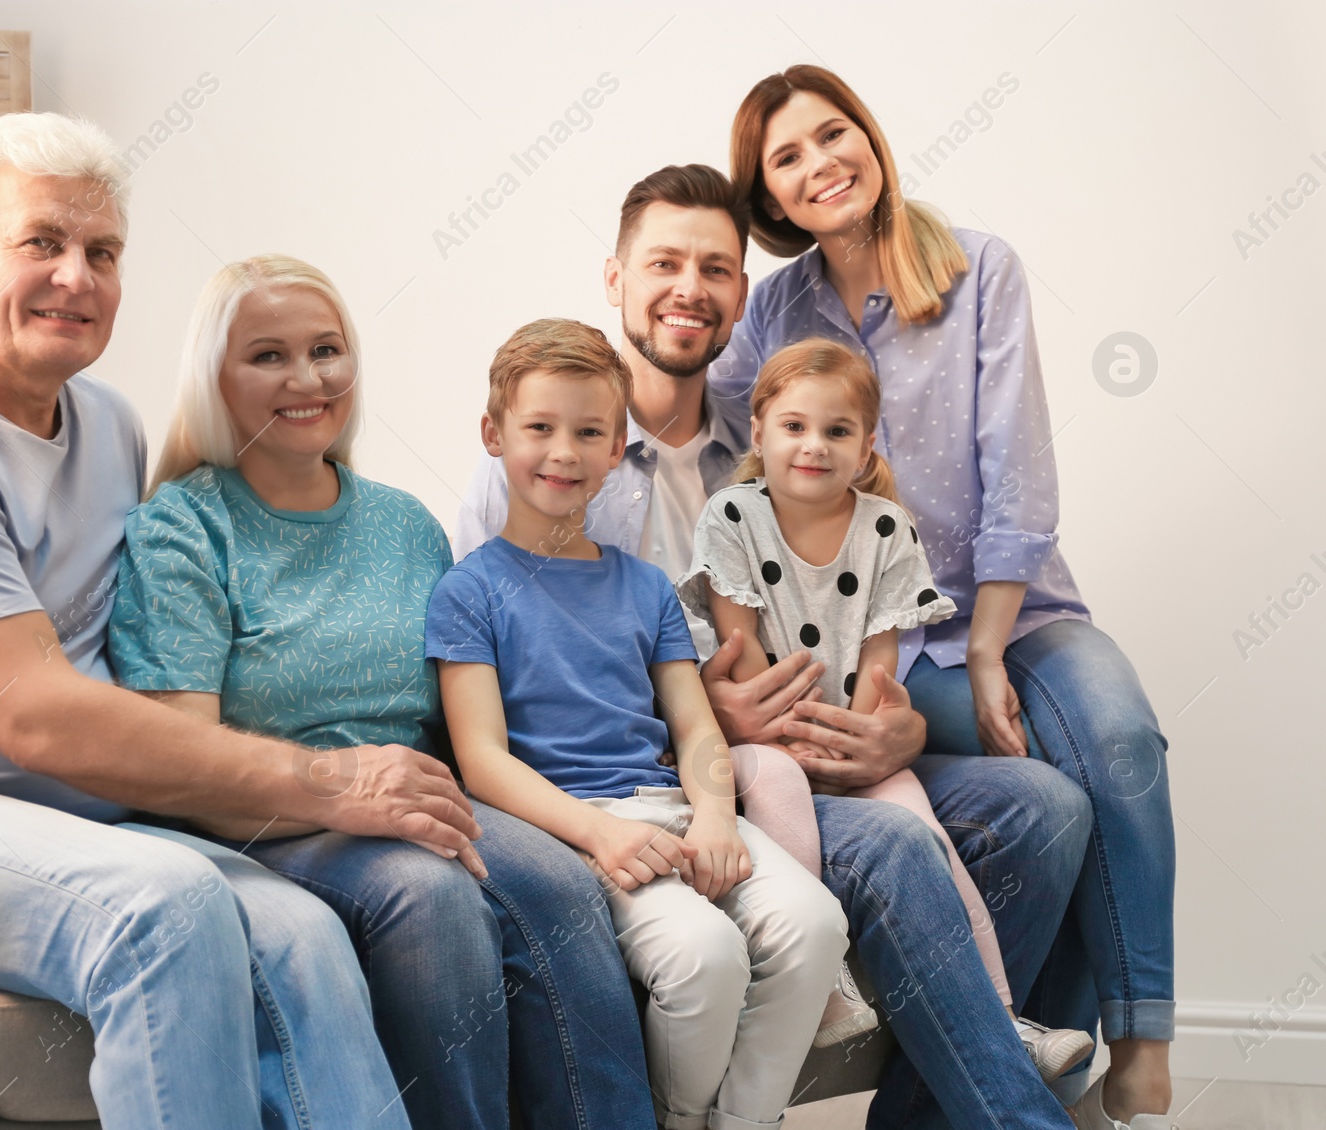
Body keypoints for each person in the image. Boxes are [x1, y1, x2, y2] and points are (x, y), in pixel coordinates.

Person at [0, 112, 477, 1129]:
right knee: (160, 915)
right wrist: (326, 778)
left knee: (300, 930)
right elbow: (37, 716)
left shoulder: (106, 423)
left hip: (74, 815)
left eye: (101, 251)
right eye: (39, 242)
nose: (75, 277)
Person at [457, 163, 1095, 1129]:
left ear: (741, 296)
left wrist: (899, 728)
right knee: (886, 844)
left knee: (1045, 807)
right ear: (615, 277)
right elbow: (518, 665)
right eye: (663, 262)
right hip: (686, 770)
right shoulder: (546, 462)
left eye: (715, 268)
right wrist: (713, 727)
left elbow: (871, 611)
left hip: (818, 746)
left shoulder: (780, 436)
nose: (689, 288)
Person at [714, 65, 1175, 1130]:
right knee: (1049, 796)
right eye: (786, 158)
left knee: (1116, 740)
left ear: (869, 140)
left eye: (835, 135)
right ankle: (1031, 1070)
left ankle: (1139, 1035)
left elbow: (1016, 466)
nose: (821, 163)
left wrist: (986, 649)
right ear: (770, 202)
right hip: (884, 641)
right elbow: (704, 409)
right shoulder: (774, 313)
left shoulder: (976, 266)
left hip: (1014, 610)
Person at [106, 255, 656, 1130]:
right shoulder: (182, 527)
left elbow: (467, 714)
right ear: (216, 377)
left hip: (423, 795)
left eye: (326, 349)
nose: (307, 377)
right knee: (429, 896)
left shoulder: (404, 523)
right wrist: (339, 794)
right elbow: (186, 767)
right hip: (274, 820)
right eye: (268, 356)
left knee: (559, 881)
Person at [429, 317, 850, 1130]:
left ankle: (742, 1121)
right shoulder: (468, 592)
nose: (564, 452)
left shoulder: (645, 586)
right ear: (494, 434)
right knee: (704, 956)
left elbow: (695, 728)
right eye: (539, 428)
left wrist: (720, 817)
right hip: (568, 829)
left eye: (589, 432)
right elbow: (480, 760)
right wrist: (599, 835)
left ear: (617, 445)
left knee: (815, 926)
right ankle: (680, 1118)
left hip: (673, 808)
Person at [677, 335, 1095, 1082]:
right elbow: (739, 659)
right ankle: (821, 979)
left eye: (838, 431)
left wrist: (860, 740)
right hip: (761, 737)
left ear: (867, 446)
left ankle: (1002, 1017)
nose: (815, 446)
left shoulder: (883, 528)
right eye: (795, 427)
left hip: (846, 736)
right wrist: (800, 743)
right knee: (772, 783)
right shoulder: (732, 517)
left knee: (921, 828)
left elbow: (879, 657)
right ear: (762, 429)